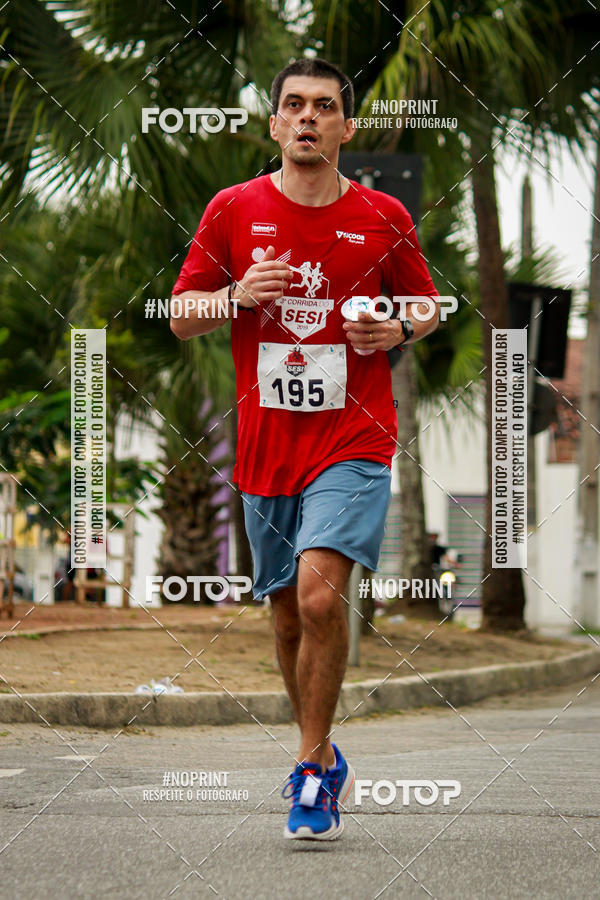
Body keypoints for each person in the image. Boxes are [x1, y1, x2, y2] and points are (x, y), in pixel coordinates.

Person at [171, 57, 440, 840]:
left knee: (324, 598)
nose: (309, 117)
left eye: (325, 106)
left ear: (346, 128)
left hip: (354, 437)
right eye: (294, 105)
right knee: (288, 618)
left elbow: (426, 302)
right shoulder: (233, 209)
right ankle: (319, 750)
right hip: (266, 448)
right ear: (275, 124)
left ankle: (314, 767)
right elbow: (182, 313)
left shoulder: (384, 215)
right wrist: (236, 296)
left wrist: (398, 329)